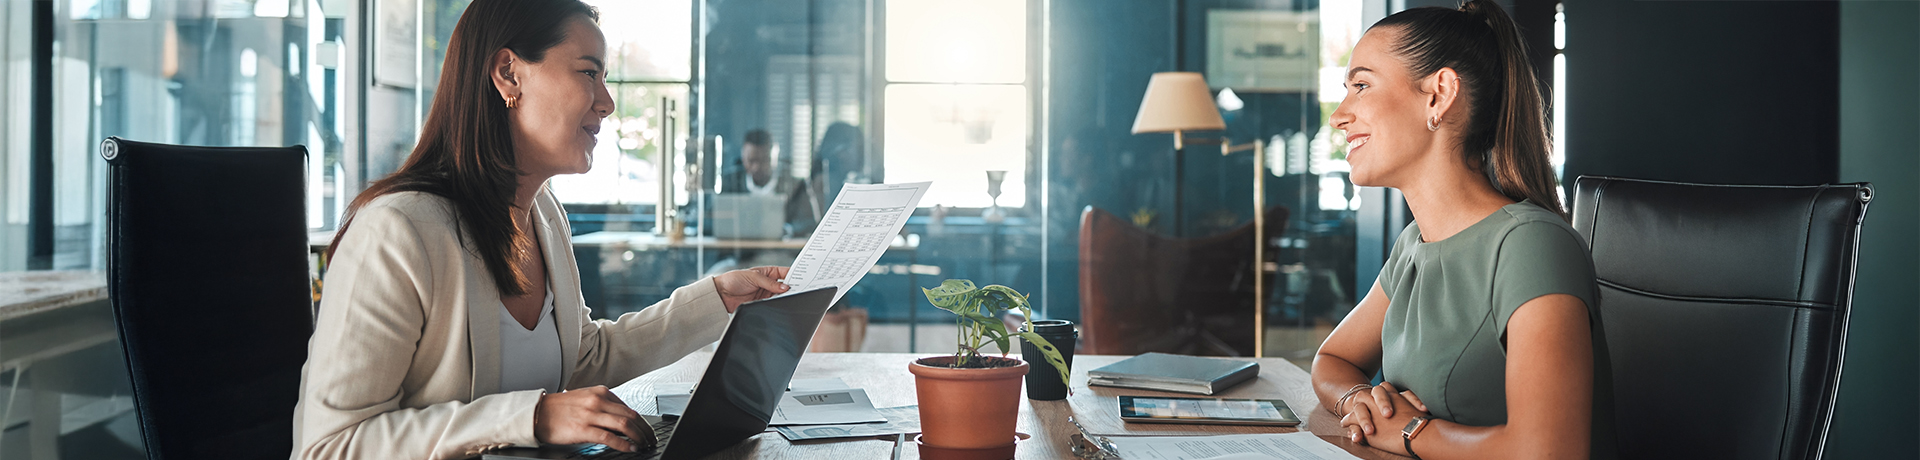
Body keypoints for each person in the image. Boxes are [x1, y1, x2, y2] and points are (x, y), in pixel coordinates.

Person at [293, 1, 792, 458]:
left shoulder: (543, 214)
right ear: (509, 74)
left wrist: (717, 300)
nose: (607, 103)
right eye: (588, 73)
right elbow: (330, 445)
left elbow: (582, 359)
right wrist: (532, 417)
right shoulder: (396, 232)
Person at [1310, 1, 1617, 459]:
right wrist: (1362, 401)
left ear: (1439, 94)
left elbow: (1551, 450)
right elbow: (1333, 361)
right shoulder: (1415, 244)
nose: (1338, 115)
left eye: (1361, 85)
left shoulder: (1532, 246)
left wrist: (1412, 432)